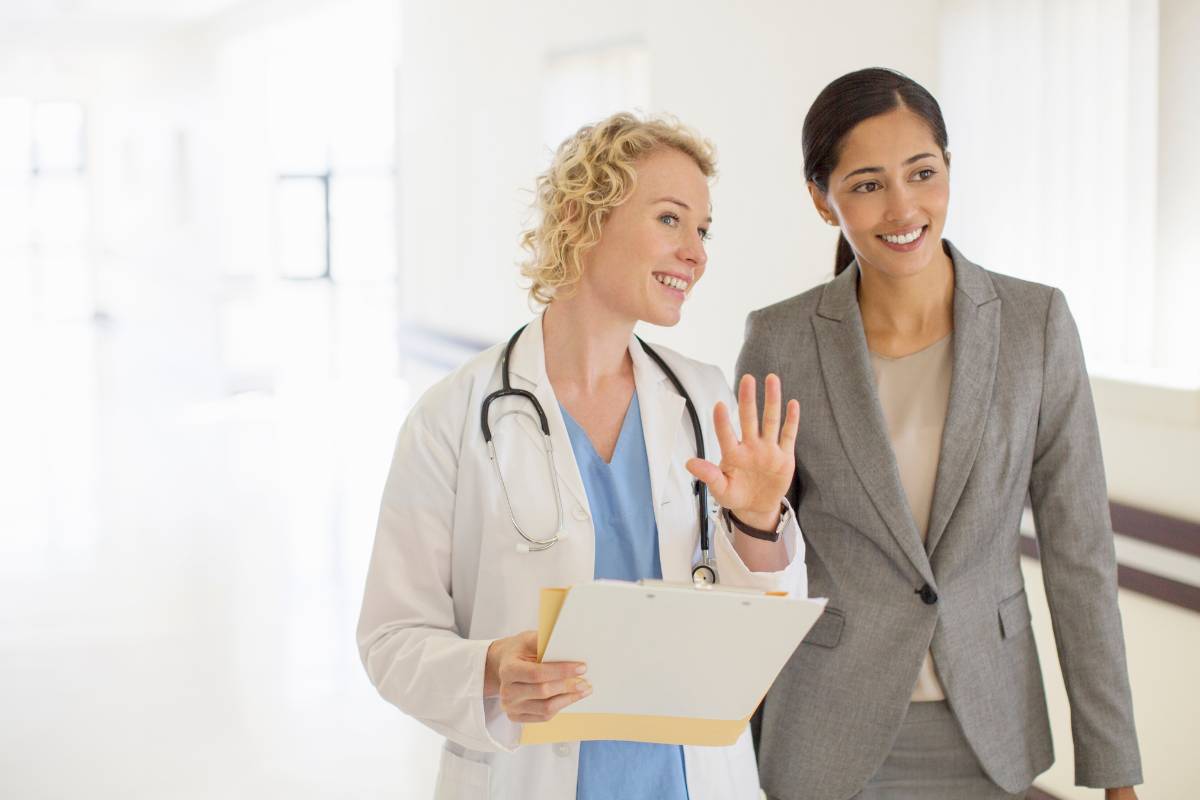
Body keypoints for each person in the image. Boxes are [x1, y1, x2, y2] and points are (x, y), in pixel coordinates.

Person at [357, 112, 806, 800]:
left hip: (690, 780)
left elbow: (755, 628)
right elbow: (390, 639)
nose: (697, 252)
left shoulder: (703, 398)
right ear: (581, 216)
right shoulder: (452, 415)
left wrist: (759, 522)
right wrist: (489, 667)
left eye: (704, 230)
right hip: (524, 776)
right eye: (670, 220)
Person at [740, 68, 1143, 800]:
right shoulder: (781, 339)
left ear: (948, 169)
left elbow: (1081, 557)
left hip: (988, 728)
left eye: (921, 173)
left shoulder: (1036, 325)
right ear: (821, 200)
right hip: (825, 727)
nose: (903, 207)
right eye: (866, 184)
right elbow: (756, 562)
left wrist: (1116, 773)